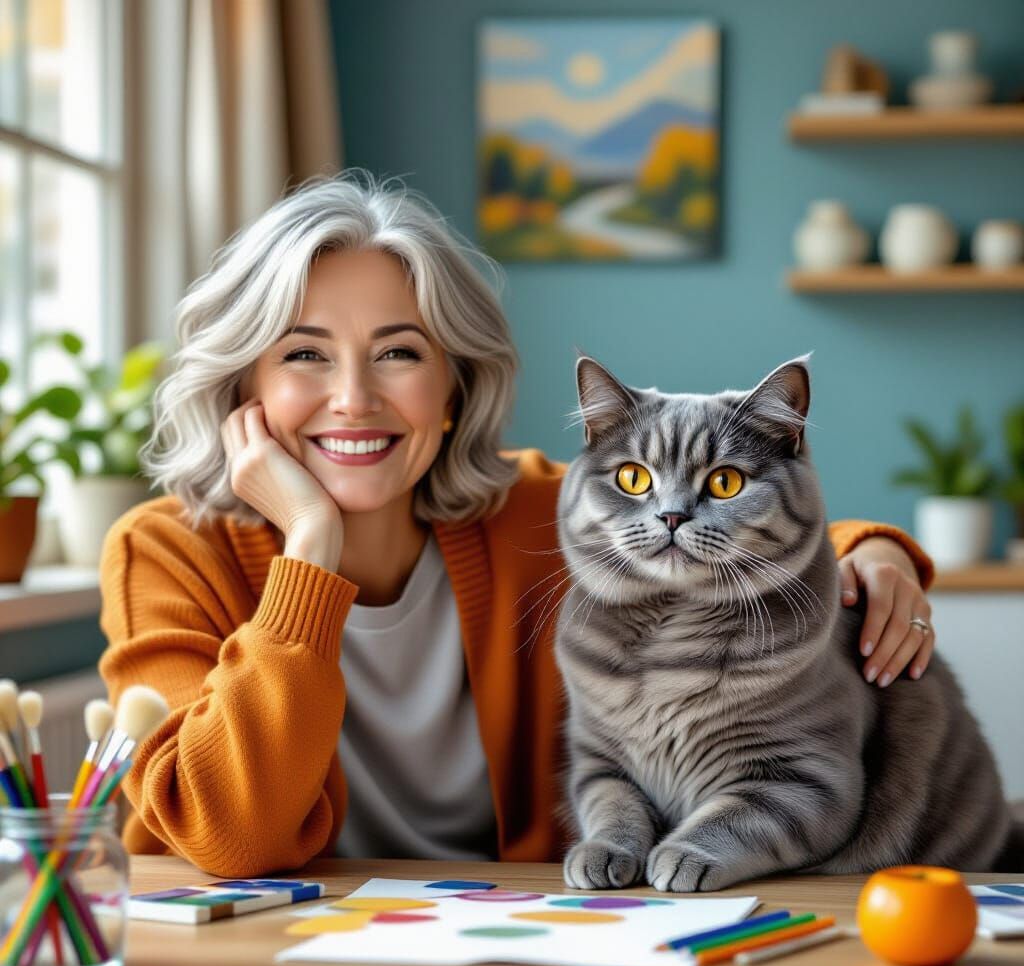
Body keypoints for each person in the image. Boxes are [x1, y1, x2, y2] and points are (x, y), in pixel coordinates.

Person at [98, 175, 936, 877]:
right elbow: (227, 832)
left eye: (399, 352)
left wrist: (878, 554)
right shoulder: (165, 551)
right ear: (244, 387)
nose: (353, 396)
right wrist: (310, 549)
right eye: (303, 354)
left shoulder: (536, 514)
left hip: (526, 957)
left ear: (455, 387)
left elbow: (717, 512)